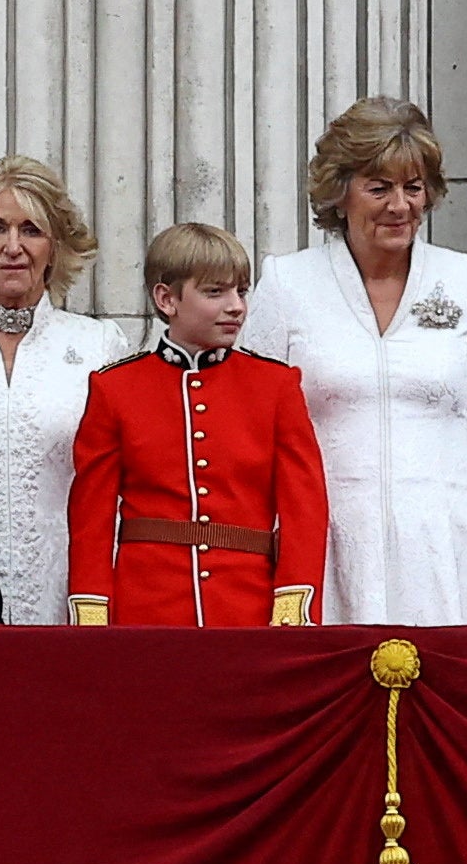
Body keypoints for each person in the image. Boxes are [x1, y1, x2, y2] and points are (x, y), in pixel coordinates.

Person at [244, 100, 467, 627]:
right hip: (320, 558)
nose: (401, 206)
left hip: (446, 555)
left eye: (413, 188)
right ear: (339, 192)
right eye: (380, 188)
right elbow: (252, 442)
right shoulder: (285, 284)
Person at [69, 222, 328, 627]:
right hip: (146, 609)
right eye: (215, 292)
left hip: (248, 609)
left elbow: (304, 507)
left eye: (240, 291)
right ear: (166, 299)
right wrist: (92, 611)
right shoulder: (114, 388)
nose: (236, 306)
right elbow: (91, 516)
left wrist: (292, 603)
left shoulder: (275, 385)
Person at [0, 155, 125, 627]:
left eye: (31, 230)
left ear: (56, 246)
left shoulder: (98, 345)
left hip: (68, 597)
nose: (13, 247)